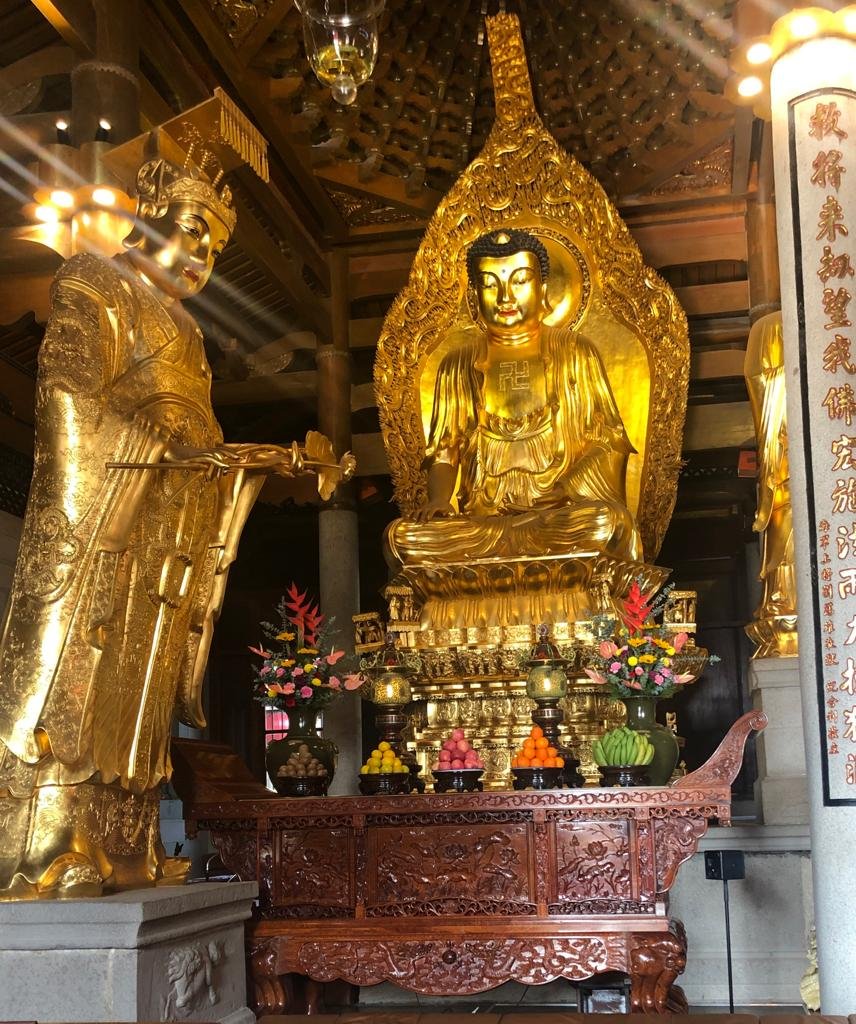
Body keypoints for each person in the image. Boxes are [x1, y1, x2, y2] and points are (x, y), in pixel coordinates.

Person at [0, 103, 349, 899]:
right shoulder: (93, 280)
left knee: (143, 692)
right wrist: (152, 444)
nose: (201, 256)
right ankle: (52, 841)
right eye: (192, 230)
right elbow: (67, 399)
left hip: (164, 531)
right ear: (150, 212)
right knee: (79, 676)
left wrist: (244, 463)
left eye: (214, 248)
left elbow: (199, 436)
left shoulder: (188, 334)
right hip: (104, 518)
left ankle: (128, 847)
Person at [385, 228, 640, 567]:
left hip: (557, 519)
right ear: (475, 297)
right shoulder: (457, 364)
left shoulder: (576, 352)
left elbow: (608, 442)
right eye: (490, 285)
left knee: (607, 523)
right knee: (402, 537)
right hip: (482, 526)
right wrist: (440, 500)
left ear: (543, 289)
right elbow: (445, 451)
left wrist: (567, 490)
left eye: (519, 281)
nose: (505, 297)